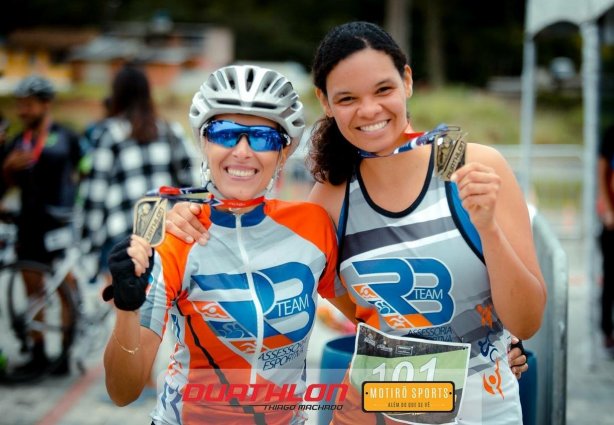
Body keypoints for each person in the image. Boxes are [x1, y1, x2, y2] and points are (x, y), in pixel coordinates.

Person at [165, 22, 545, 424]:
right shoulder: (330, 199)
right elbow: (352, 307)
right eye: (347, 98)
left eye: (383, 90)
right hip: (373, 410)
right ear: (326, 103)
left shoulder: (476, 168)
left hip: (484, 408)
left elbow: (527, 321)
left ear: (407, 81)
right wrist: (187, 216)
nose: (368, 110)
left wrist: (489, 231)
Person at [102, 64, 355, 424]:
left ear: (283, 153)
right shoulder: (176, 240)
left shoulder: (313, 226)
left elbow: (371, 320)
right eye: (225, 133)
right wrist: (126, 308)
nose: (242, 151)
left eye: (264, 138)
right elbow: (122, 391)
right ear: (204, 140)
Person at [0, 75, 87, 376]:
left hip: (60, 224)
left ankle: (64, 355)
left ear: (46, 104)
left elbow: (86, 170)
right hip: (28, 223)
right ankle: (37, 354)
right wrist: (7, 169)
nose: (22, 110)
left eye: (29, 104)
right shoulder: (15, 143)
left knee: (68, 289)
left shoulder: (66, 136)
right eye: (19, 104)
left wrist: (81, 202)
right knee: (32, 288)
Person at [80, 64, 199, 278]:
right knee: (162, 307)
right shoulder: (171, 131)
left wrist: (87, 242)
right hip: (165, 236)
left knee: (124, 307)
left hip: (121, 239)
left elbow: (95, 195)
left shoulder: (108, 134)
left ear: (116, 94)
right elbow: (191, 186)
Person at [597, 124, 614, 350]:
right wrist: (608, 210)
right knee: (610, 280)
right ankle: (607, 331)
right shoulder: (611, 134)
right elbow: (601, 173)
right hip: (612, 225)